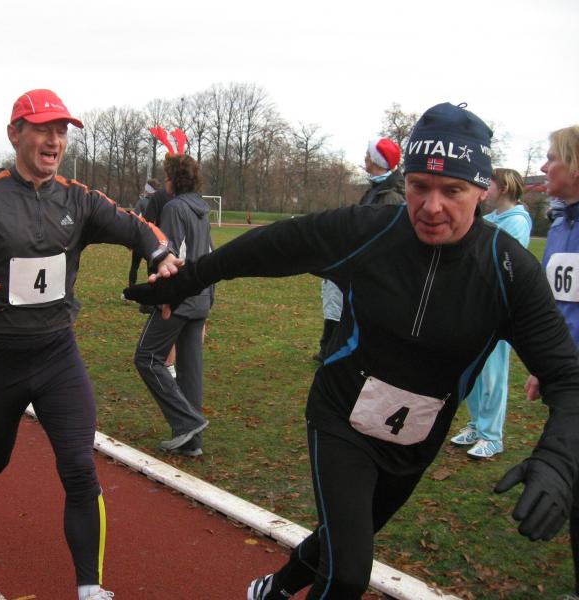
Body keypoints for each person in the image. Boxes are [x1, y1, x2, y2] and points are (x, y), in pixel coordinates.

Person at [125, 103, 579, 600]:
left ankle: (274, 588)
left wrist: (558, 459)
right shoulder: (370, 230)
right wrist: (184, 282)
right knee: (347, 574)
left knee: (339, 541)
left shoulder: (510, 271)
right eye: (419, 186)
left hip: (416, 440)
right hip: (341, 416)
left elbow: (567, 378)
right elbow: (270, 246)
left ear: (480, 190)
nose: (431, 207)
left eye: (452, 190)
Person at [0, 88, 178, 600]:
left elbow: (140, 228)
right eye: (44, 129)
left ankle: (90, 589)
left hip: (56, 355)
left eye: (62, 131)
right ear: (15, 134)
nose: (55, 140)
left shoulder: (79, 199)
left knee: (79, 467)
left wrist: (160, 254)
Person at [523, 125, 579, 598]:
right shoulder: (560, 224)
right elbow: (560, 307)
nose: (543, 167)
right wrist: (546, 365)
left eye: (552, 157)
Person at [134, 150, 212, 457]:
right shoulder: (202, 210)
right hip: (200, 298)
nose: (164, 180)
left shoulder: (175, 208)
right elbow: (209, 257)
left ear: (174, 179)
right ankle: (191, 442)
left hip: (180, 300)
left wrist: (165, 299)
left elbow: (170, 257)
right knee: (190, 370)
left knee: (147, 357)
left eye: (166, 175)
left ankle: (187, 423)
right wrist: (208, 304)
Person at [450, 168, 531, 459]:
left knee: (493, 374)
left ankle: (492, 436)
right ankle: (476, 425)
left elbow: (503, 264)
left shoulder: (517, 221)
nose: (485, 191)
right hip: (474, 306)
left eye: (490, 185)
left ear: (504, 188)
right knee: (474, 370)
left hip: (497, 309)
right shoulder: (490, 219)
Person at [313, 137, 404, 362]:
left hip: (375, 270)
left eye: (368, 155)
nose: (365, 158)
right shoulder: (376, 190)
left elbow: (383, 236)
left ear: (376, 160)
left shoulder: (390, 195)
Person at [127, 178, 159, 288]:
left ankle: (130, 290)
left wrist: (130, 240)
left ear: (148, 189)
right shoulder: (159, 202)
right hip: (154, 240)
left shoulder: (142, 202)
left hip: (140, 240)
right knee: (151, 268)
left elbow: (134, 219)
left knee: (134, 266)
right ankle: (152, 291)